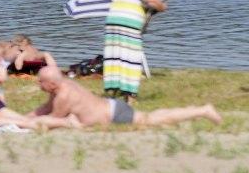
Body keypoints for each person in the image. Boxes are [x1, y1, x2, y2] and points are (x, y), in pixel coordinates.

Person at [30, 65, 220, 129]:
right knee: (151, 118)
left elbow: (52, 120)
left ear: (52, 84)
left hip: (114, 115)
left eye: (41, 82)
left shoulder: (64, 95)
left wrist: (23, 124)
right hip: (111, 107)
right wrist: (23, 117)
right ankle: (199, 111)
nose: (38, 85)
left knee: (153, 120)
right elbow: (45, 110)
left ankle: (202, 110)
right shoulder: (63, 86)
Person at [103, 0, 166, 101]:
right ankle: (130, 94)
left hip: (112, 21)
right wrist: (161, 6)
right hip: (129, 22)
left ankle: (113, 90)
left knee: (115, 55)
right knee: (131, 57)